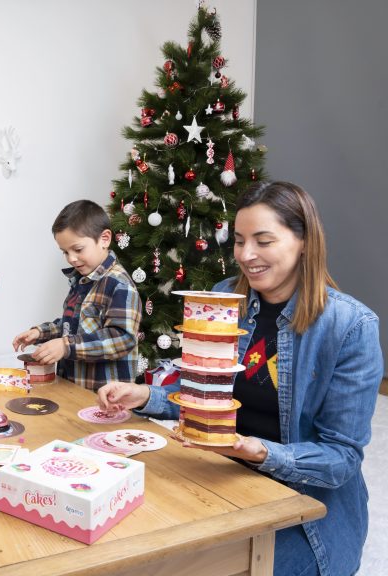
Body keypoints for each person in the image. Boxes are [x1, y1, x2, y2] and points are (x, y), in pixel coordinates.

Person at [97, 181, 383, 576]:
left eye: (263, 241)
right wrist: (145, 396)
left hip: (304, 509)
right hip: (221, 478)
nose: (246, 256)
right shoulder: (223, 299)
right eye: (239, 240)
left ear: (304, 242)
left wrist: (258, 451)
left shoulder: (350, 326)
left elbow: (341, 459)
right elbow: (203, 393)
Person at [12, 199, 141, 391]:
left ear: (104, 239)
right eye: (65, 252)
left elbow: (122, 338)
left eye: (78, 249)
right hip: (73, 390)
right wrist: (41, 332)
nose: (71, 258)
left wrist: (66, 346)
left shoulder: (119, 285)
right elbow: (72, 325)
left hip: (105, 398)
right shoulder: (82, 280)